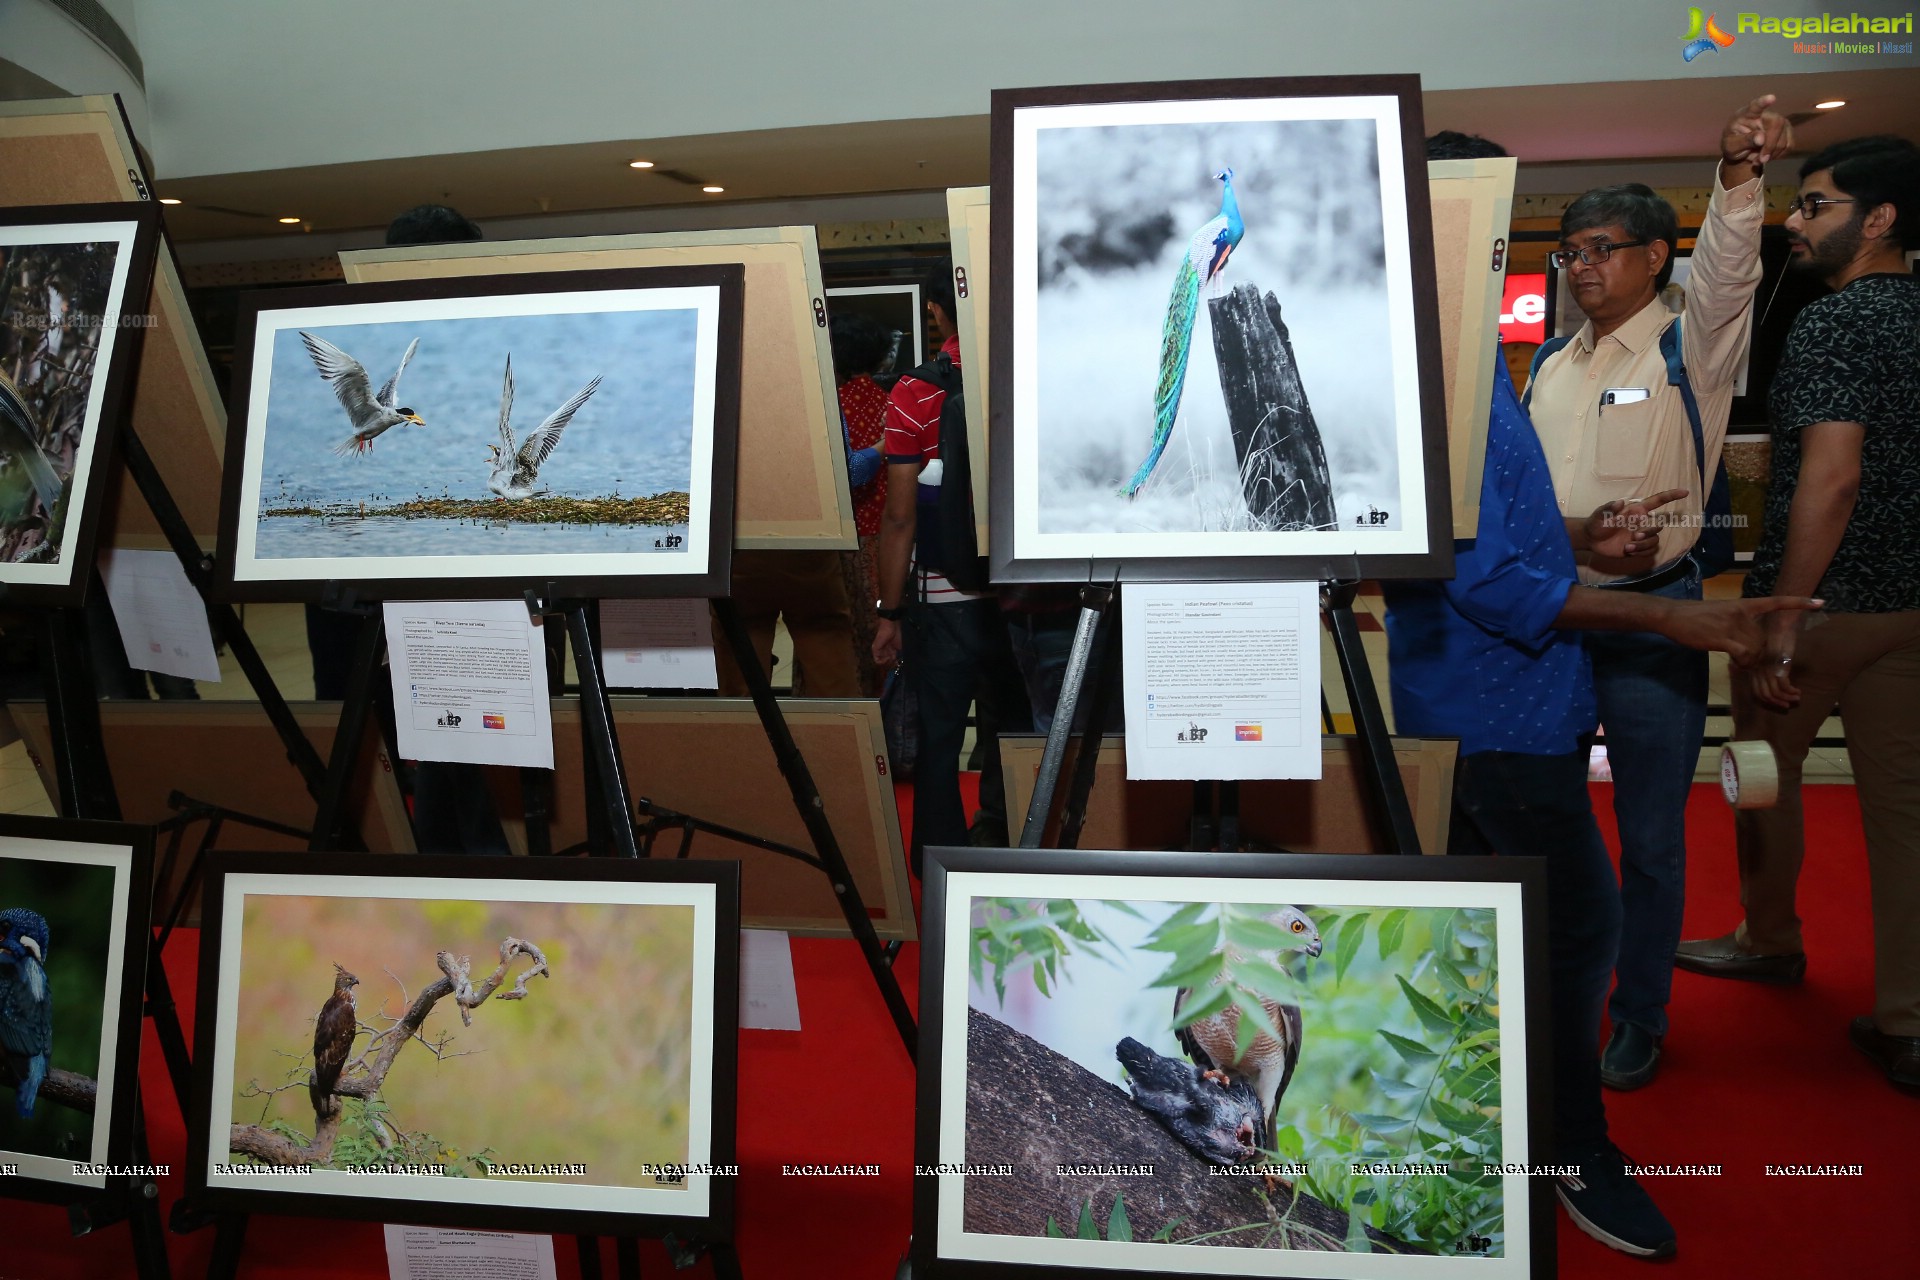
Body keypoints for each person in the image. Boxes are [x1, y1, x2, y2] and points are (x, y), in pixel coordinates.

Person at [1386, 129, 1821, 1261]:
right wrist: (1685, 614)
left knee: (1528, 914)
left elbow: (1487, 532)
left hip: (1505, 684)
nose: (1562, 261)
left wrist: (1584, 535)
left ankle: (1498, 1126)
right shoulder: (1451, 363)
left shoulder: (1476, 352)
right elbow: (1482, 575)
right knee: (1576, 923)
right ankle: (1568, 1144)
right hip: (1494, 701)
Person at [1525, 96, 1786, 1092]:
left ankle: (1638, 1010)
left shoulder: (1693, 346)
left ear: (1654, 259)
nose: (1583, 264)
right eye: (1571, 251)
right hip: (1550, 621)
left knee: (1648, 835)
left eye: (1604, 248)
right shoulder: (1551, 362)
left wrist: (1736, 178)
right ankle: (1556, 988)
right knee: (1544, 818)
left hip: (1654, 624)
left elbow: (1729, 270)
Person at [1674, 136, 1920, 1093]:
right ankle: (1907, 1018)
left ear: (1880, 218)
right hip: (1909, 609)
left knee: (1762, 778)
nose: (1795, 220)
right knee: (1904, 813)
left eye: (1815, 206)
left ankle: (1767, 938)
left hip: (1817, 614)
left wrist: (1781, 619)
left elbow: (1832, 477)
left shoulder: (1836, 324)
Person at [872, 260, 1020, 867]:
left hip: (943, 594)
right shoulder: (1019, 375)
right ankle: (1009, 845)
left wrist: (890, 610)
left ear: (936, 312)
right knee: (1015, 732)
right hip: (1022, 597)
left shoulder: (914, 390)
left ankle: (938, 862)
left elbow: (900, 515)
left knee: (937, 737)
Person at [831, 311, 892, 695]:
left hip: (842, 540)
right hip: (887, 537)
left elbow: (849, 471)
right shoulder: (893, 402)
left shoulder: (829, 405)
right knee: (882, 637)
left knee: (839, 642)